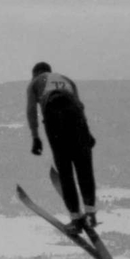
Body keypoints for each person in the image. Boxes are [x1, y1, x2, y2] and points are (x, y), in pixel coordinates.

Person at [25, 62, 99, 234]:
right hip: (77, 119)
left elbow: (31, 111)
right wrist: (87, 133)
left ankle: (75, 219)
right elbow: (79, 106)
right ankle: (90, 213)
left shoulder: (36, 82)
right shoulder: (67, 80)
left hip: (55, 118)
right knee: (84, 168)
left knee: (65, 170)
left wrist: (36, 137)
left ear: (35, 73)